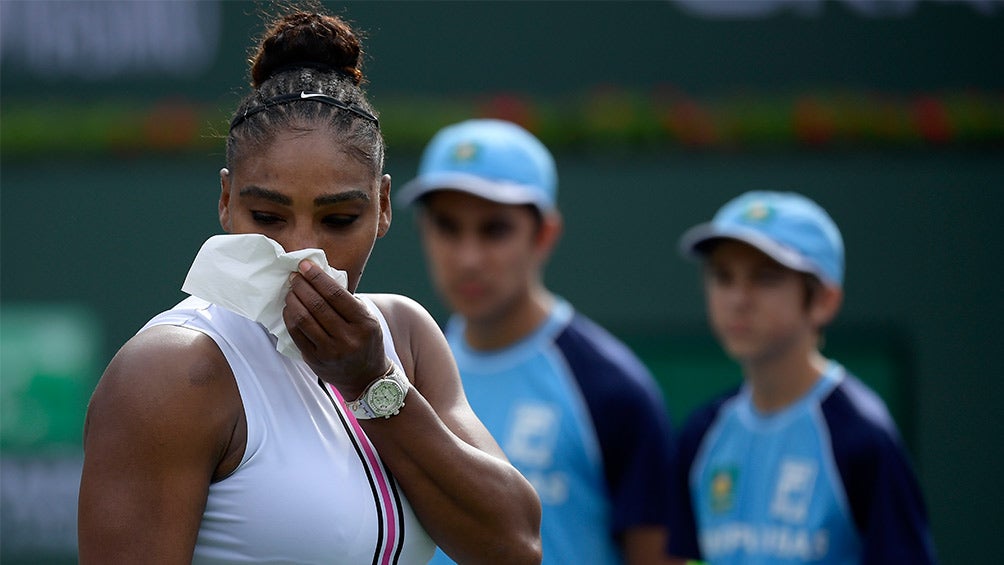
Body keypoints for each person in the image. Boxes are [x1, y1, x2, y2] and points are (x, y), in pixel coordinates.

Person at [77, 7, 542, 565]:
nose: (303, 256)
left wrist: (373, 385)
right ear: (226, 202)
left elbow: (515, 546)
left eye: (339, 219)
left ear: (384, 208)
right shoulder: (168, 371)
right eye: (268, 217)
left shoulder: (407, 336)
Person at [397, 119, 679, 565]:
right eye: (448, 227)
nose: (468, 258)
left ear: (544, 234)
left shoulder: (612, 389)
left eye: (494, 230)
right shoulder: (396, 375)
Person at [666, 190, 937, 564]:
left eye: (765, 278)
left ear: (824, 300)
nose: (738, 298)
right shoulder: (703, 432)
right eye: (723, 277)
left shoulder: (861, 436)